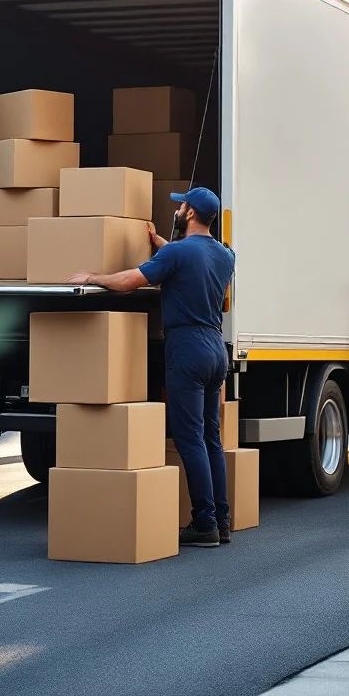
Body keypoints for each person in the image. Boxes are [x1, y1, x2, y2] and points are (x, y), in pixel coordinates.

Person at [68, 187, 236, 547]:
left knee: (188, 438)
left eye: (182, 204)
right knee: (211, 438)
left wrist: (93, 277)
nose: (177, 207)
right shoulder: (225, 255)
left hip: (187, 349)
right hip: (215, 349)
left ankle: (203, 522)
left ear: (190, 214)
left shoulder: (177, 252)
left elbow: (131, 281)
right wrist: (161, 242)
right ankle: (221, 520)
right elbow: (194, 262)